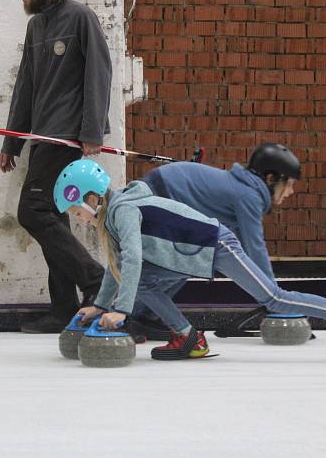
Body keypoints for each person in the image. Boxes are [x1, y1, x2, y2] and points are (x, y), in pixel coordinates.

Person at [54, 159, 326, 362]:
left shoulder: (123, 210)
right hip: (195, 253)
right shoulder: (112, 215)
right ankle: (189, 338)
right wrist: (100, 306)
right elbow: (119, 265)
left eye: (75, 210)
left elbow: (134, 259)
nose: (78, 218)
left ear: (91, 197)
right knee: (143, 286)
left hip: (218, 245)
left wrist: (121, 310)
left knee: (273, 298)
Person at [0, 0, 112, 333]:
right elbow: (26, 86)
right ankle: (64, 308)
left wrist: (92, 131)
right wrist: (12, 142)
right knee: (53, 217)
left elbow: (100, 73)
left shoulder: (80, 18)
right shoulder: (37, 28)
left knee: (32, 211)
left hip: (67, 137)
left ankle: (95, 281)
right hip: (41, 136)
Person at [129, 143, 302, 338]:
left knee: (187, 261)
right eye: (289, 184)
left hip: (163, 186)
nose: (291, 191)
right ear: (271, 179)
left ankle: (142, 315)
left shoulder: (243, 190)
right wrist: (274, 299)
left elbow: (245, 247)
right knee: (183, 262)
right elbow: (255, 248)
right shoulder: (248, 197)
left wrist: (268, 296)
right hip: (162, 192)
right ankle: (138, 316)